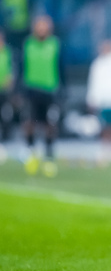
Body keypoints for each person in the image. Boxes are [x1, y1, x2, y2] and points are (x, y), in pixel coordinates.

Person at [21, 15, 65, 178]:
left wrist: (63, 90)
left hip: (50, 90)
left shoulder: (55, 44)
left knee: (50, 125)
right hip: (31, 89)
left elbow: (61, 67)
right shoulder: (28, 44)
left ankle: (48, 157)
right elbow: (22, 67)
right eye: (39, 26)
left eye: (44, 26)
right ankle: (31, 153)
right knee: (30, 123)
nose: (41, 29)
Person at [0, 29, 14, 144]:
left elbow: (12, 70)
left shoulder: (8, 53)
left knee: (6, 114)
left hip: (4, 89)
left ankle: (6, 138)